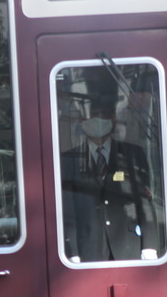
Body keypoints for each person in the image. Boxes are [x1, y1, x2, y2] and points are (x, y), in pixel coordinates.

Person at [60, 94, 161, 262]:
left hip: (128, 247)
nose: (98, 120)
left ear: (113, 120)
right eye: (93, 115)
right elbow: (67, 208)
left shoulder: (132, 154)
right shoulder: (69, 159)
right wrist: (72, 252)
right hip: (88, 250)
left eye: (103, 114)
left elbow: (145, 202)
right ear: (84, 121)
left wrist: (149, 246)